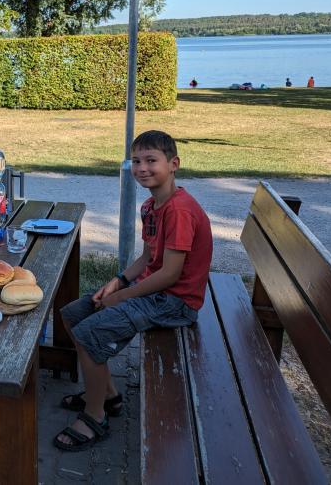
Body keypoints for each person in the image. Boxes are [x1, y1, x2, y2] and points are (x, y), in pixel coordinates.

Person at [53, 130, 212, 452]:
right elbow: (147, 257)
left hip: (176, 302)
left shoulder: (179, 210)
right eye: (136, 161)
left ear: (174, 164)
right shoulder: (152, 206)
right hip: (151, 292)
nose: (142, 168)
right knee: (72, 315)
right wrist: (119, 281)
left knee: (91, 334)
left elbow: (170, 274)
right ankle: (108, 395)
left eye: (151, 160)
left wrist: (121, 298)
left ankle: (95, 415)